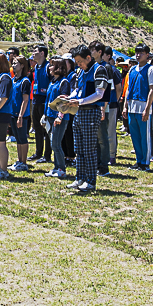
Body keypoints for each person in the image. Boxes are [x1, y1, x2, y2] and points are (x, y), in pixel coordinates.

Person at [57, 44, 107, 193]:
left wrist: (79, 101)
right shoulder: (80, 71)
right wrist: (68, 98)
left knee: (89, 148)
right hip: (78, 112)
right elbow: (77, 91)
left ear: (88, 58)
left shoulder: (99, 70)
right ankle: (80, 178)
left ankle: (90, 181)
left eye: (80, 61)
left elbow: (99, 94)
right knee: (79, 147)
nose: (78, 65)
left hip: (91, 112)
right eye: (76, 62)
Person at [122, 44, 153, 171]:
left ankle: (145, 162)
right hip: (132, 106)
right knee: (135, 135)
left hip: (143, 106)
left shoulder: (151, 69)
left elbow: (152, 90)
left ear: (147, 55)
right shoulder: (132, 70)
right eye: (136, 52)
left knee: (145, 136)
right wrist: (125, 106)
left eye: (141, 53)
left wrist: (147, 109)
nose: (138, 55)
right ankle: (138, 159)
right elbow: (128, 90)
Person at [89, 41, 114, 176]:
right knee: (94, 138)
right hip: (93, 107)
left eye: (93, 50)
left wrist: (103, 108)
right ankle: (96, 163)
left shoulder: (106, 68)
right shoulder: (92, 67)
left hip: (102, 107)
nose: (91, 53)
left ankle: (104, 166)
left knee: (102, 138)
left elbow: (107, 91)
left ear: (99, 52)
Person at [44, 58, 72, 178]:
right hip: (50, 116)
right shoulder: (52, 81)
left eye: (51, 65)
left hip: (59, 118)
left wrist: (60, 117)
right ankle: (56, 167)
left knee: (56, 143)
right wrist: (44, 115)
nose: (49, 67)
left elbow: (64, 101)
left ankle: (61, 168)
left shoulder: (64, 82)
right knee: (53, 143)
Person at [10, 56, 33, 171]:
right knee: (18, 138)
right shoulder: (13, 79)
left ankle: (24, 162)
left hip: (22, 115)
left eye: (16, 63)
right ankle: (19, 160)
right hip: (13, 113)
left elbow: (25, 100)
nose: (14, 65)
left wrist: (20, 115)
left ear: (23, 65)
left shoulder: (25, 81)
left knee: (23, 138)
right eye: (13, 63)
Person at [30, 44, 52, 164]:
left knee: (46, 128)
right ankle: (38, 152)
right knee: (37, 127)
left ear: (42, 53)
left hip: (45, 100)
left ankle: (47, 155)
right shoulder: (36, 67)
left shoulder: (48, 67)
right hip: (36, 100)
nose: (33, 53)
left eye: (35, 51)